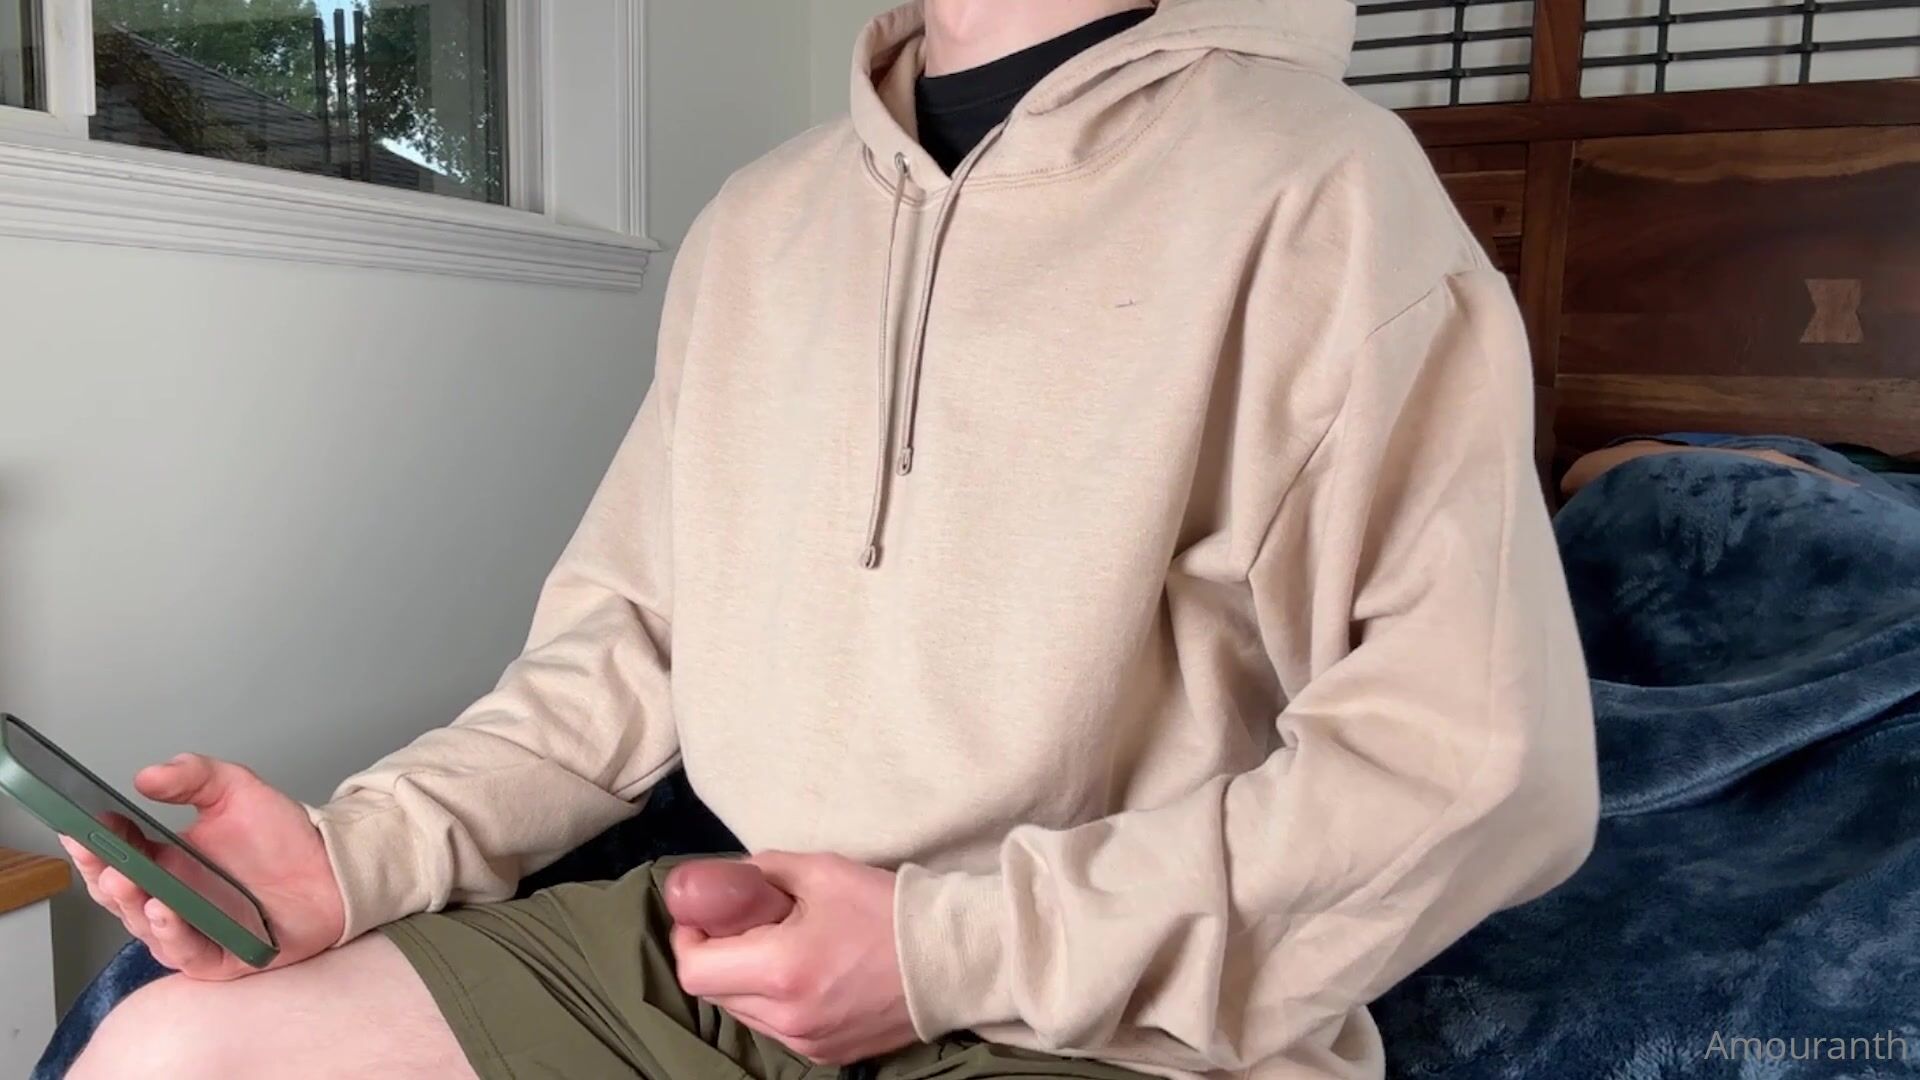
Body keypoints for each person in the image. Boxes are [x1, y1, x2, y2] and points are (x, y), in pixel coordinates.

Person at [62, 0, 1601, 1077]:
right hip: (739, 954)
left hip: (1123, 1023)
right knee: (163, 1050)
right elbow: (625, 649)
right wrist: (356, 856)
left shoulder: (1324, 187)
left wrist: (943, 952)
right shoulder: (760, 221)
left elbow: (1479, 770)